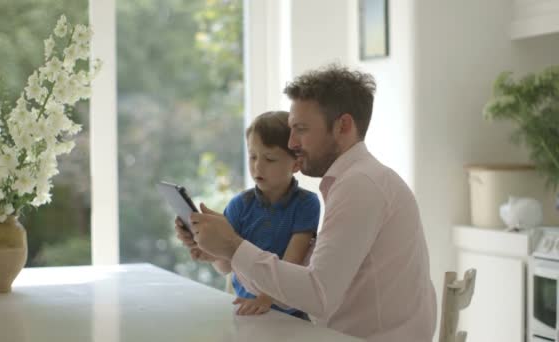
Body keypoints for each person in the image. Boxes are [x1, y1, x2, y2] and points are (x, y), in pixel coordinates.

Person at [178, 64, 437, 341]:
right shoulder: (358, 181)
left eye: (300, 129)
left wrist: (233, 245)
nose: (292, 142)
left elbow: (316, 296)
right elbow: (298, 294)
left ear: (343, 126)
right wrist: (226, 249)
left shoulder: (360, 187)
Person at [178, 111, 320, 318]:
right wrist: (210, 254)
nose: (257, 166)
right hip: (246, 310)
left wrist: (266, 297)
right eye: (253, 156)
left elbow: (292, 263)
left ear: (296, 164)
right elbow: (225, 266)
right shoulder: (239, 205)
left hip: (289, 315)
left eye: (269, 159)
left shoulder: (306, 204)